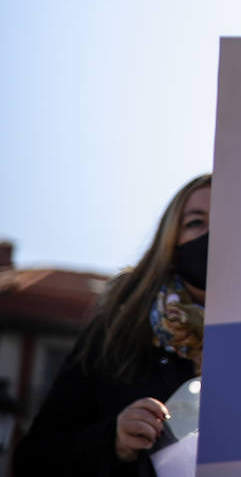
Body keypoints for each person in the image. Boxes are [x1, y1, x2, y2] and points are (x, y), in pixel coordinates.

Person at [14, 174, 211, 477]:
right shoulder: (116, 335)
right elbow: (35, 459)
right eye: (195, 223)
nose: (213, 235)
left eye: (228, 220)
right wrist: (115, 441)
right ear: (169, 244)